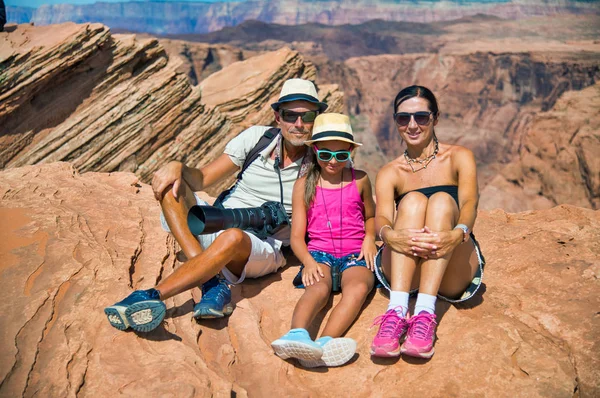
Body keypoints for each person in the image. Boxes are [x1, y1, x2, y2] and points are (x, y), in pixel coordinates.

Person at [104, 78, 328, 332]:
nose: (298, 124)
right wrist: (178, 167)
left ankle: (150, 296)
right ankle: (212, 282)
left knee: (232, 237)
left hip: (259, 247)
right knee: (172, 187)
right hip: (215, 220)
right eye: (290, 115)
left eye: (307, 116)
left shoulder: (325, 160)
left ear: (317, 119)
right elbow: (203, 178)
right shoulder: (257, 138)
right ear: (278, 117)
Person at [370, 85, 485, 359]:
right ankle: (396, 311)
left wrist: (457, 234)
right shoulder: (390, 171)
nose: (412, 125)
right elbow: (382, 218)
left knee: (443, 201)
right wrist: (390, 235)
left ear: (436, 118)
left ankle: (424, 313)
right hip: (405, 271)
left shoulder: (459, 157)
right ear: (395, 121)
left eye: (421, 117)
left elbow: (469, 203)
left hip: (450, 264)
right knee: (411, 202)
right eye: (403, 118)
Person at [271, 113, 377, 367]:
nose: (333, 161)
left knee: (358, 288)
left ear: (351, 151)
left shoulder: (359, 179)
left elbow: (372, 216)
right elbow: (297, 236)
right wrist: (308, 262)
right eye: (325, 154)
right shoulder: (303, 185)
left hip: (355, 254)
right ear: (314, 151)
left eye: (341, 155)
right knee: (318, 288)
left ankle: (324, 345)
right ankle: (296, 335)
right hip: (319, 254)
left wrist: (370, 238)